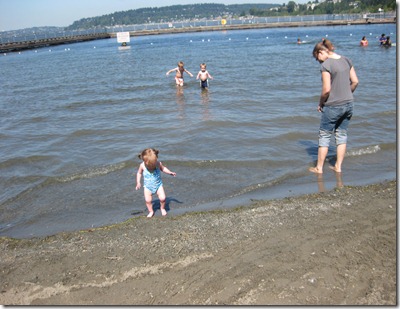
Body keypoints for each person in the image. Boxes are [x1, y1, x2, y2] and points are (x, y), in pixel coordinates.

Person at [309, 39, 359, 174]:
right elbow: (355, 81)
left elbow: (326, 89)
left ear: (320, 52)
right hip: (349, 104)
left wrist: (320, 103)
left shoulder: (326, 65)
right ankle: (338, 166)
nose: (318, 61)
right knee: (342, 134)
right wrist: (347, 93)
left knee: (324, 135)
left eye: (317, 58)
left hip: (333, 106)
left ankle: (319, 168)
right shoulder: (347, 60)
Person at [136, 148, 176, 217]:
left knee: (163, 198)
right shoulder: (142, 166)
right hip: (147, 187)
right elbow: (139, 173)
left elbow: (163, 168)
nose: (152, 166)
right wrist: (138, 182)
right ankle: (151, 211)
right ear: (145, 161)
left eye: (153, 164)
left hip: (158, 185)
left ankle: (162, 208)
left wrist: (170, 172)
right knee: (148, 200)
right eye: (150, 165)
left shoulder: (158, 163)